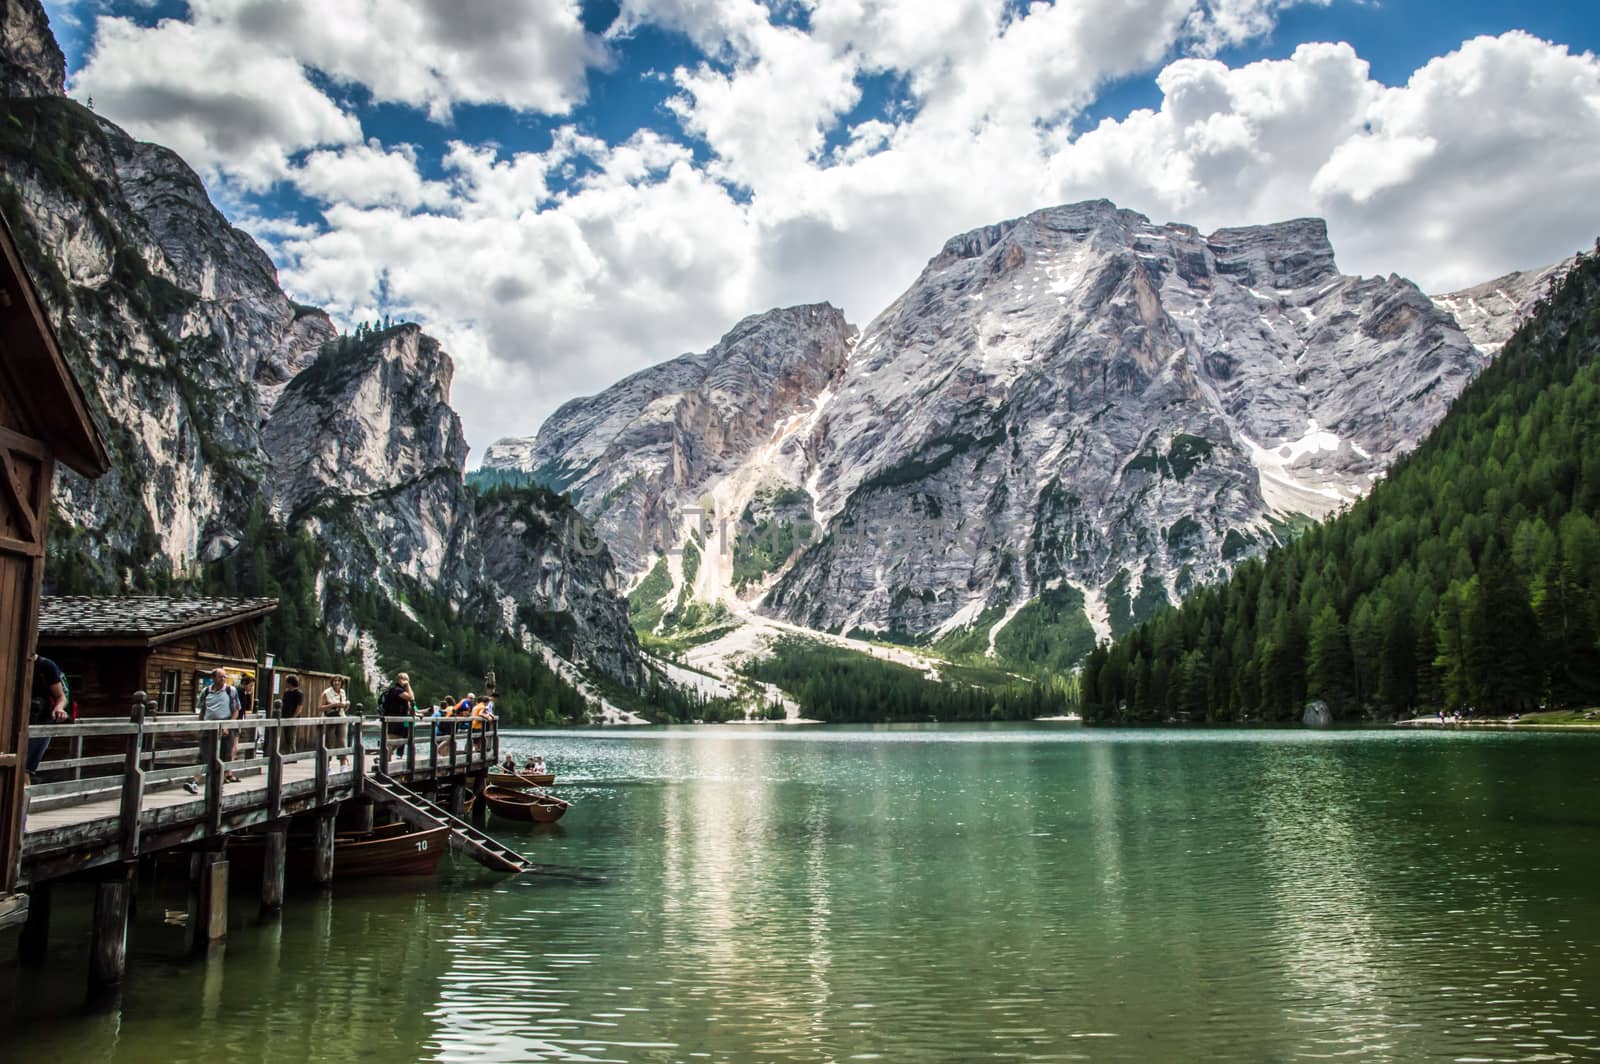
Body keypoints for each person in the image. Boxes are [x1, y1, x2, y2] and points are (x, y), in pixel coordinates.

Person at [186, 668, 242, 794]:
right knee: (204, 755)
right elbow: (203, 710)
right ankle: (194, 782)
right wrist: (200, 726)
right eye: (220, 677)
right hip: (208, 726)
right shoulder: (206, 691)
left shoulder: (230, 691)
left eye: (224, 677)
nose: (223, 679)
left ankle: (218, 785)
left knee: (224, 755)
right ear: (214, 678)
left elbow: (236, 711)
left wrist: (227, 726)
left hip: (224, 727)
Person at [25, 655, 69, 782]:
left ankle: (23, 800)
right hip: (19, 724)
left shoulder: (46, 666)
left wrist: (59, 709)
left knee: (25, 768)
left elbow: (61, 697)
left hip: (41, 722)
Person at [321, 676, 351, 767]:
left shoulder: (342, 692)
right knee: (329, 742)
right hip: (330, 719)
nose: (337, 683)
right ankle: (327, 766)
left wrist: (347, 705)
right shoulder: (326, 693)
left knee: (342, 742)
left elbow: (344, 710)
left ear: (342, 683)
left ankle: (343, 765)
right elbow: (320, 708)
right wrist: (334, 705)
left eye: (338, 681)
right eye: (335, 681)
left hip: (341, 717)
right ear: (332, 682)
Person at [381, 673, 415, 746]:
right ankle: (386, 757)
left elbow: (408, 704)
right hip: (394, 720)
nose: (408, 681)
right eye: (406, 680)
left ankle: (386, 756)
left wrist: (416, 713)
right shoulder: (397, 690)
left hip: (398, 720)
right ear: (401, 680)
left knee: (397, 742)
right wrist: (407, 685)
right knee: (393, 742)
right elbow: (411, 698)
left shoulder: (399, 690)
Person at [281, 675, 305, 754]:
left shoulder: (299, 694)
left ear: (290, 683)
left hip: (293, 717)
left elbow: (299, 706)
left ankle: (291, 753)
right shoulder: (286, 692)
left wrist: (294, 716)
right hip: (285, 716)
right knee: (287, 735)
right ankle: (290, 752)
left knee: (291, 736)